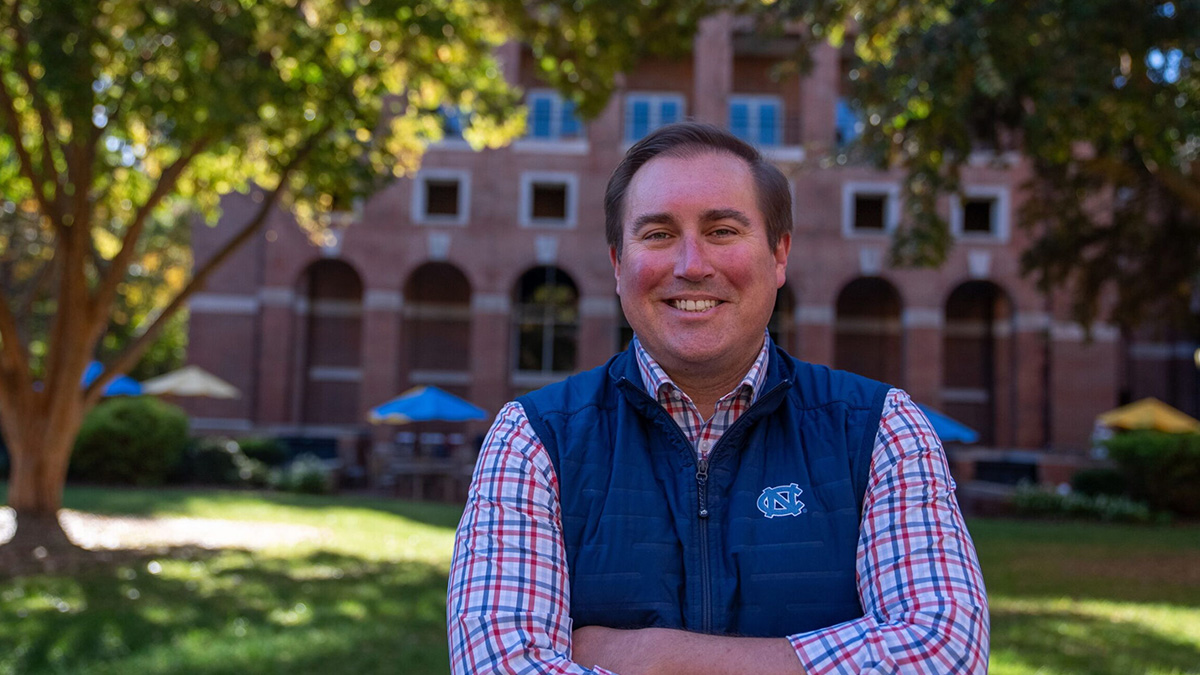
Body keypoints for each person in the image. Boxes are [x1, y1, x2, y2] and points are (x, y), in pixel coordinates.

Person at [447, 122, 989, 674]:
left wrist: (653, 657)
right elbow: (498, 665)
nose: (692, 265)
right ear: (617, 264)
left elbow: (945, 654)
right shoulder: (533, 439)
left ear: (779, 255)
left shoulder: (880, 430)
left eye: (723, 230)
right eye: (658, 234)